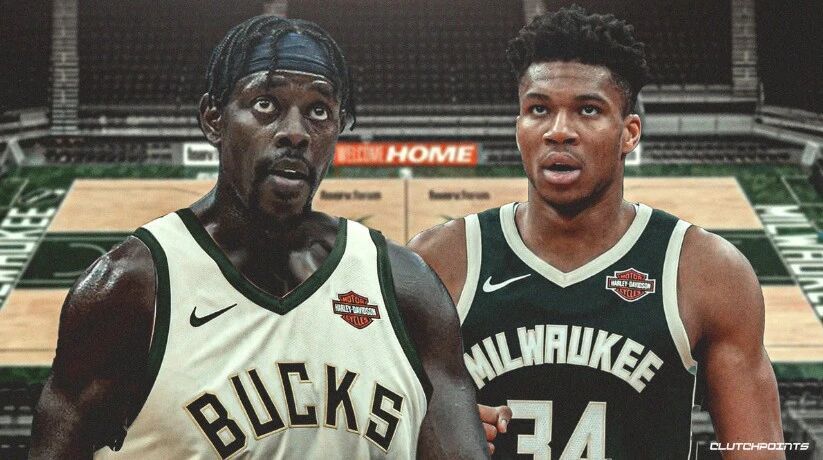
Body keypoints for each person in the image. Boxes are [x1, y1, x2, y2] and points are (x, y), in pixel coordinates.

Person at [29, 16, 489, 459]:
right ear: (213, 119)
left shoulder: (406, 290)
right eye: (266, 104)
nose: (295, 133)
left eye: (319, 111)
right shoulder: (131, 290)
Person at [409, 6, 784, 459]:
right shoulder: (441, 262)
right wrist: (425, 435)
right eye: (538, 109)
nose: (558, 131)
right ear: (518, 127)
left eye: (588, 110)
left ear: (629, 133)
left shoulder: (706, 272)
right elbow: (371, 437)